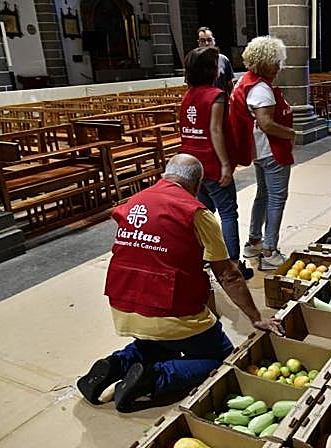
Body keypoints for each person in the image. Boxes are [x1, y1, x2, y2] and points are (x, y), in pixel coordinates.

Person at [77, 154, 283, 413]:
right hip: (168, 308)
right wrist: (256, 318)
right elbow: (228, 275)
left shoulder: (134, 201)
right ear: (197, 185)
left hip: (123, 304)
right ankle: (155, 378)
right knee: (220, 357)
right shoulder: (195, 212)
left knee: (161, 342)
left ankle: (117, 364)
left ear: (165, 175)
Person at [180, 47, 254, 280]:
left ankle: (204, 257)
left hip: (192, 166)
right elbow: (214, 131)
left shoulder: (188, 95)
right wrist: (225, 165)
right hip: (212, 164)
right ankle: (232, 266)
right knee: (228, 213)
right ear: (211, 70)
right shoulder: (216, 96)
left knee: (205, 213)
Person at [230, 36, 296, 270]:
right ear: (263, 62)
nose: (279, 67)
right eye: (275, 62)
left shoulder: (245, 81)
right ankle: (269, 252)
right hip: (271, 152)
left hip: (258, 151)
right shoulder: (260, 89)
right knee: (276, 200)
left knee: (263, 196)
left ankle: (254, 241)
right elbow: (266, 123)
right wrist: (290, 133)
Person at [197, 27, 235, 95]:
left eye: (209, 40)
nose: (206, 43)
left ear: (214, 41)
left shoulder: (223, 60)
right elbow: (190, 88)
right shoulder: (194, 61)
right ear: (198, 43)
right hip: (203, 102)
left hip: (221, 101)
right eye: (203, 41)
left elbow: (229, 84)